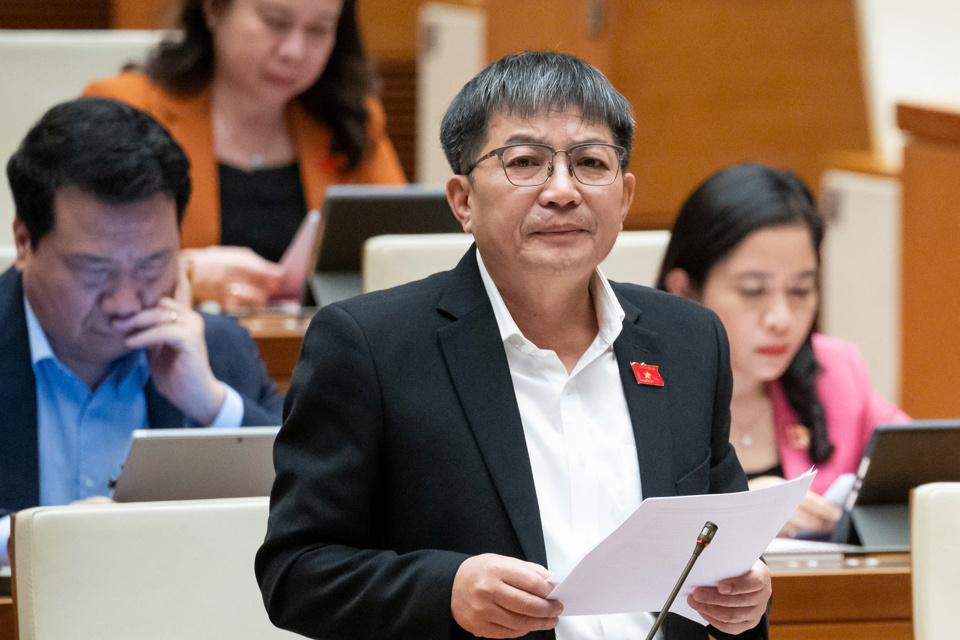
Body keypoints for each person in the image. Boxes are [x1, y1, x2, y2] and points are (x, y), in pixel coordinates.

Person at [256, 51, 770, 640]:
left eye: (590, 163)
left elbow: (725, 545)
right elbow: (295, 572)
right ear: (463, 200)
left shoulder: (687, 340)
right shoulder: (370, 347)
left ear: (624, 197)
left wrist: (745, 593)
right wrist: (445, 591)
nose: (562, 191)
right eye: (525, 161)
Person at [0, 97, 285, 565]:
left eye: (154, 265)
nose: (127, 301)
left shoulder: (219, 350)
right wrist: (33, 541)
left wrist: (212, 406)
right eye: (96, 270)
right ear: (24, 241)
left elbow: (318, 506)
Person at [83, 0, 406, 308]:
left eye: (319, 29)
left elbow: (401, 257)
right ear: (213, 9)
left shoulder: (349, 122)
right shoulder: (126, 110)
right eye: (275, 22)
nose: (294, 51)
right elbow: (73, 261)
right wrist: (184, 273)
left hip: (317, 355)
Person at [656, 163, 909, 538]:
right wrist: (740, 508)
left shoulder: (834, 372)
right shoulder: (635, 384)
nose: (781, 319)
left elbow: (931, 468)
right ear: (685, 290)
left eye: (800, 291)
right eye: (753, 291)